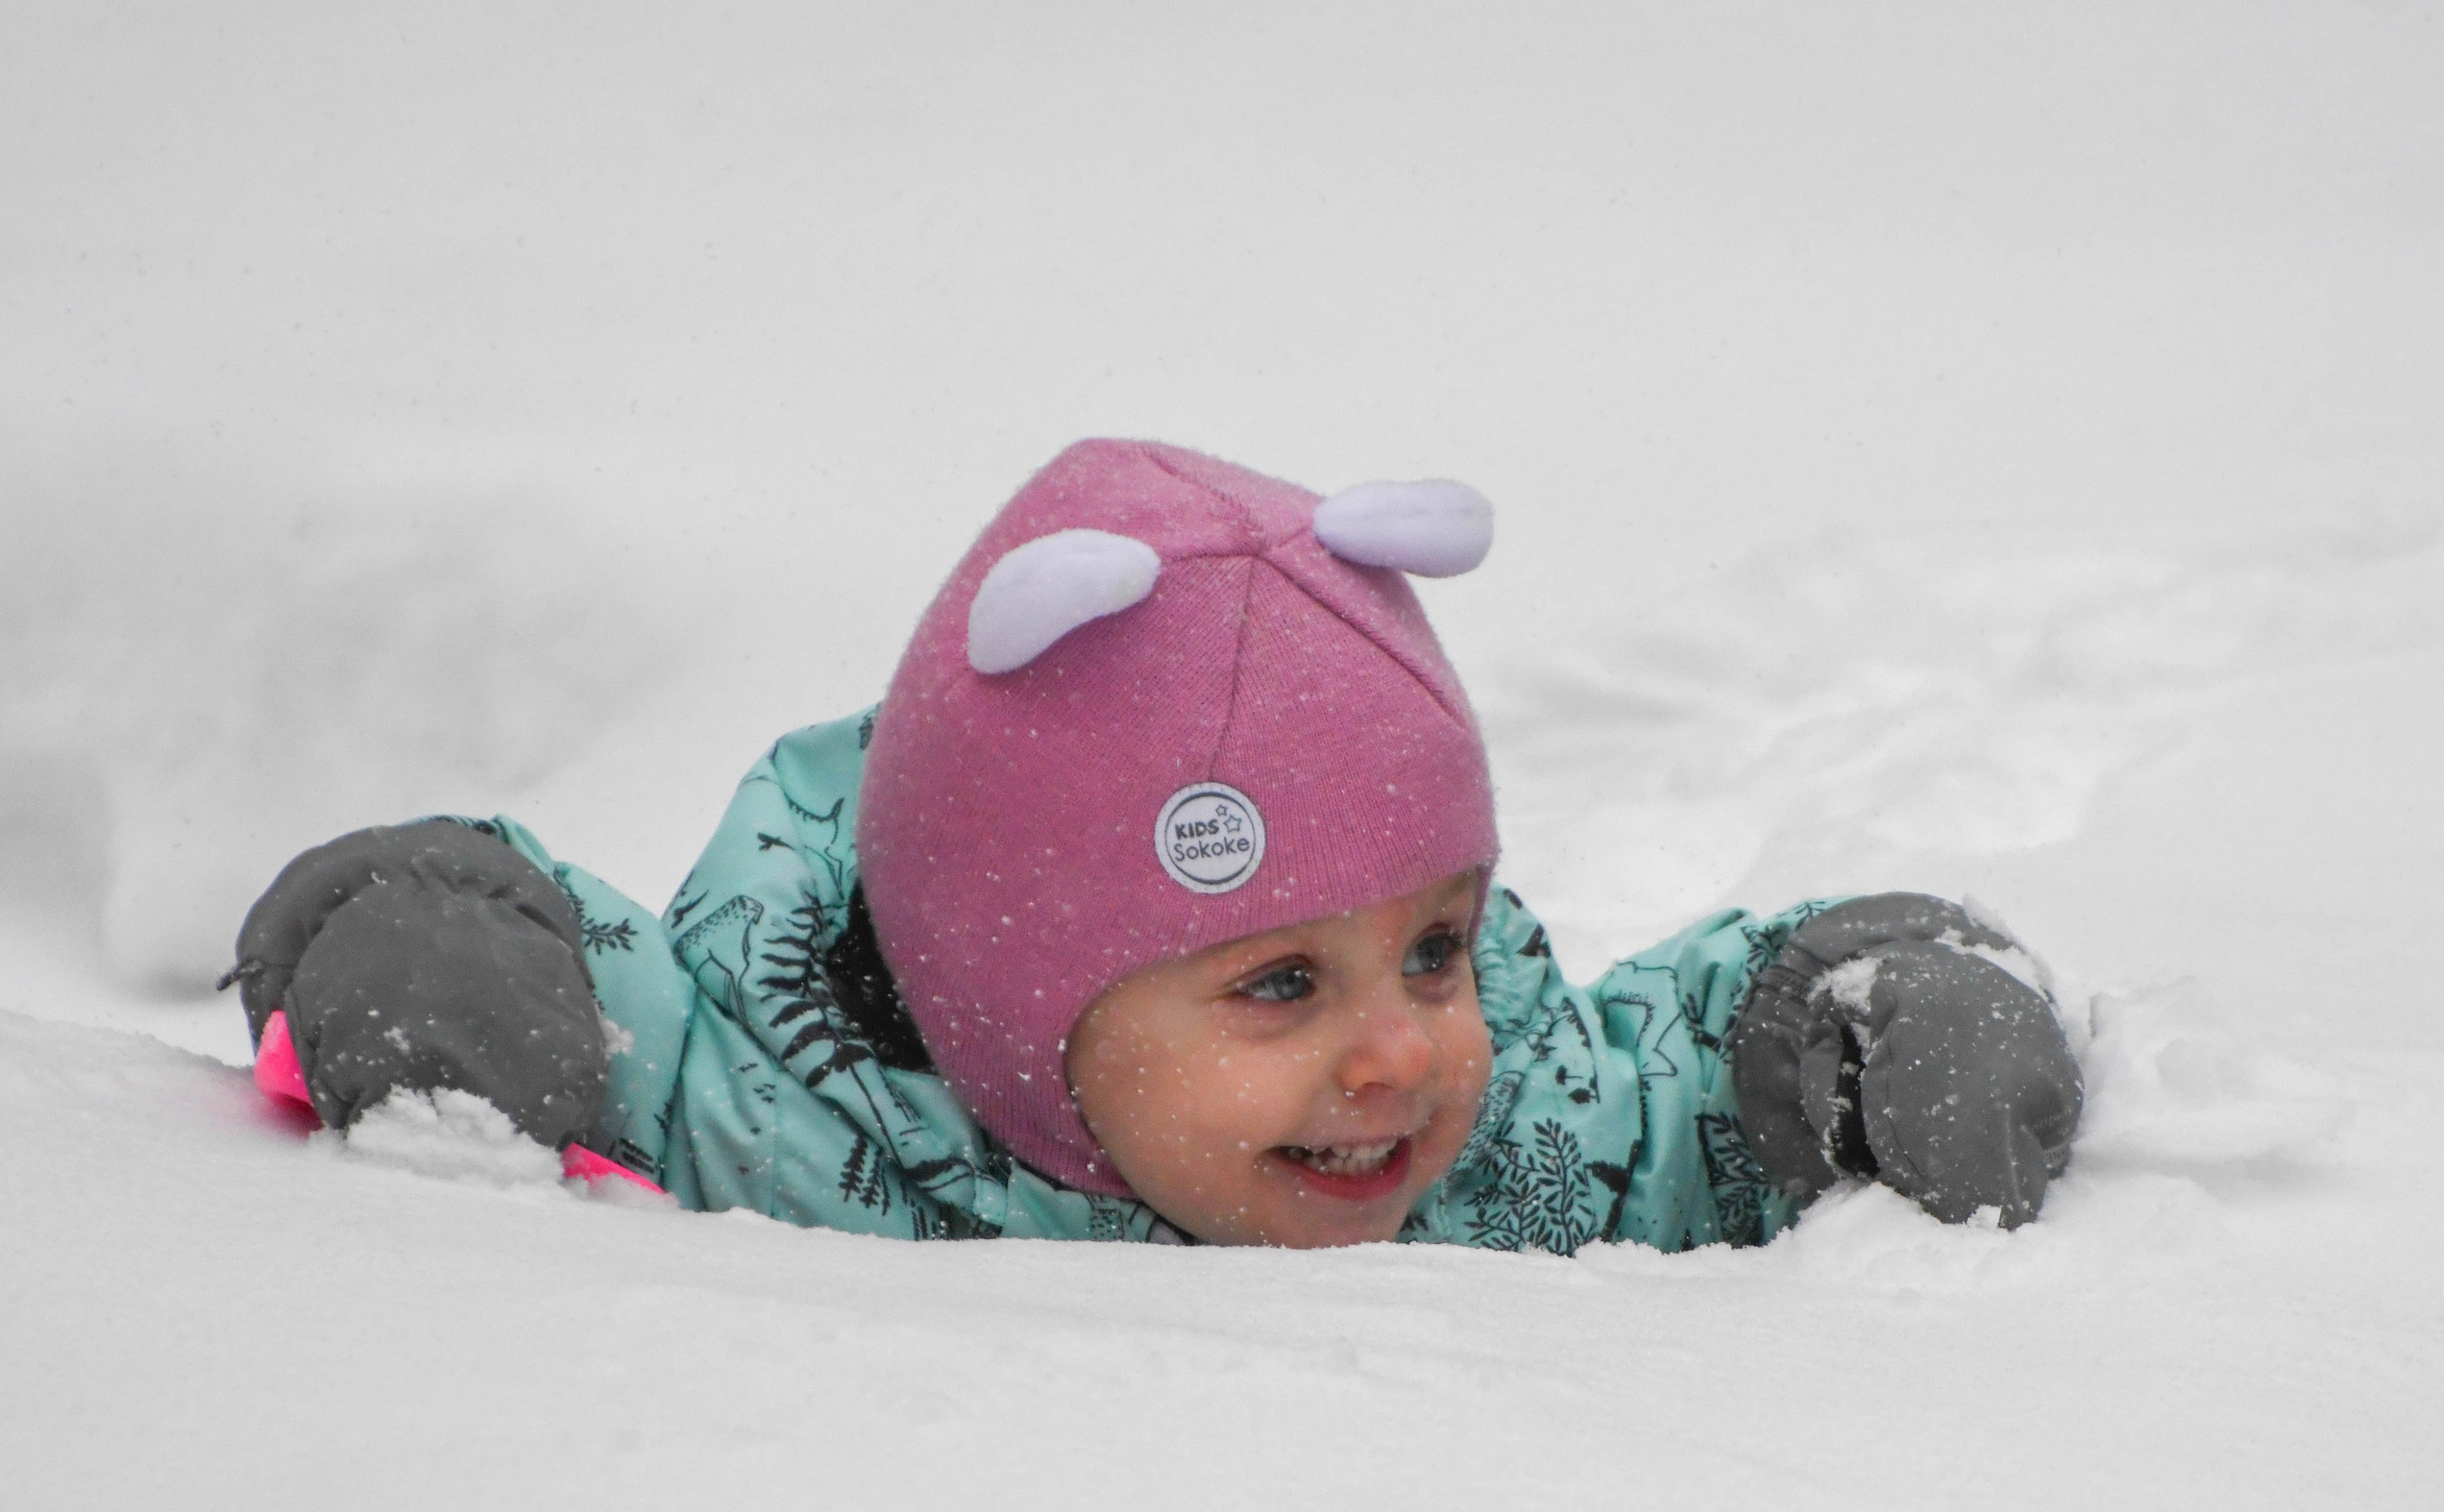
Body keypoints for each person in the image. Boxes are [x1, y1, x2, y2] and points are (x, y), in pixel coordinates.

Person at [222, 440, 2084, 1251]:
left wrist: (1852, 1026)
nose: (1399, 1049)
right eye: (1278, 980)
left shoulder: (1509, 1134)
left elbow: (1684, 1088)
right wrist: (438, 947)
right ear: (1008, 1005)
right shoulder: (794, 1122)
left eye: (1430, 948)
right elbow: (607, 1025)